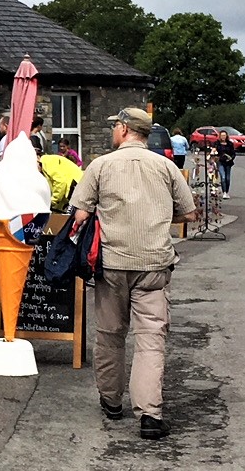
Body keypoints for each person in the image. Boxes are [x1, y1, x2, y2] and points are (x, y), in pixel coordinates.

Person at [68, 106, 197, 439]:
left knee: (110, 335)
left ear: (124, 129)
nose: (113, 131)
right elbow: (190, 213)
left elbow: (79, 215)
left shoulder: (100, 166)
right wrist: (158, 219)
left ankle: (111, 402)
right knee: (150, 339)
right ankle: (150, 415)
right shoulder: (166, 166)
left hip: (111, 264)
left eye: (115, 127)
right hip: (154, 264)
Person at [216, 133, 237, 199]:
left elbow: (233, 153)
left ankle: (227, 191)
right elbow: (214, 152)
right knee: (223, 177)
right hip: (220, 162)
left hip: (228, 163)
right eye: (222, 135)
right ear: (220, 136)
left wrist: (231, 158)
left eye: (224, 135)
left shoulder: (230, 144)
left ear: (226, 136)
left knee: (228, 178)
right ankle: (224, 192)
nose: (223, 137)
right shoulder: (217, 144)